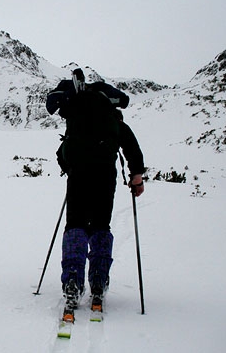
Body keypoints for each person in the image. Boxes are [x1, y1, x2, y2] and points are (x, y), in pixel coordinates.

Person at [46, 68, 145, 310]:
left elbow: (63, 151)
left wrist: (70, 168)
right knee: (101, 225)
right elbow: (130, 145)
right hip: (105, 176)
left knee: (75, 226)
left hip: (79, 175)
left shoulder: (76, 115)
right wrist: (137, 177)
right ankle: (99, 280)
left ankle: (72, 281)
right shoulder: (112, 118)